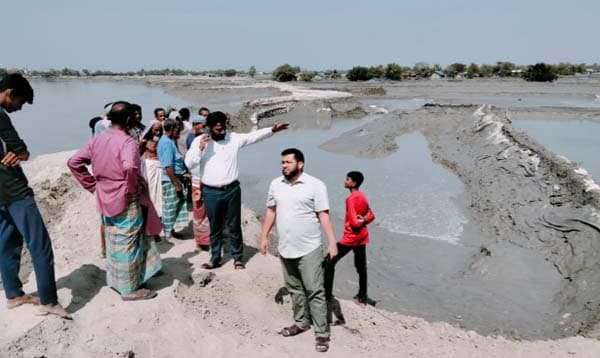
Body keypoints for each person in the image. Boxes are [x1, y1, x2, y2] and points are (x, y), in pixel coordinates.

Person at [68, 101, 162, 301]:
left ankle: (119, 280)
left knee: (114, 239)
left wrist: (92, 185)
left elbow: (73, 162)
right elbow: (129, 168)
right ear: (129, 120)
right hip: (125, 195)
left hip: (105, 194)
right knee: (129, 240)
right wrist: (131, 187)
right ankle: (129, 289)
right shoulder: (127, 142)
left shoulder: (97, 140)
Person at [0, 73, 71, 318]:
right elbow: (21, 150)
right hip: (14, 189)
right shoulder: (0, 115)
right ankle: (49, 301)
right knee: (40, 244)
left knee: (7, 240)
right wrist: (21, 152)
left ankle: (13, 294)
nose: (18, 109)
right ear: (9, 92)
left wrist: (15, 153)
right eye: (19, 103)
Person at [259, 148, 338, 353]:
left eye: (288, 162)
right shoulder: (275, 184)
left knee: (314, 290)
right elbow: (270, 211)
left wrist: (332, 242)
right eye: (282, 162)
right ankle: (301, 322)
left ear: (300, 164)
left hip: (309, 247)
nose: (283, 166)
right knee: (294, 288)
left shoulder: (315, 185)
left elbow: (324, 216)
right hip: (285, 247)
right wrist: (264, 237)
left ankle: (322, 333)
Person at [199, 111, 288, 269]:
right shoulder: (201, 143)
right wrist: (200, 148)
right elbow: (189, 161)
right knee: (215, 226)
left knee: (234, 225)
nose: (222, 132)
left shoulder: (233, 139)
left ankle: (237, 257)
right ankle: (214, 258)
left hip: (232, 189)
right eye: (218, 129)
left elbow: (252, 137)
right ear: (210, 128)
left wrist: (272, 130)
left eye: (223, 128)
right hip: (210, 192)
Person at [324, 171, 376, 308]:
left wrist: (359, 221)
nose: (344, 181)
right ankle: (362, 297)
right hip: (362, 237)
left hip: (351, 238)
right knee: (361, 268)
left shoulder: (351, 199)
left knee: (329, 261)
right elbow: (371, 215)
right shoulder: (362, 196)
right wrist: (364, 219)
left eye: (347, 179)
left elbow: (354, 223)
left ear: (353, 183)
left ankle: (327, 295)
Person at [157, 119, 188, 238]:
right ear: (171, 130)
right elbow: (168, 166)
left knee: (175, 205)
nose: (179, 133)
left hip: (175, 177)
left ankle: (171, 230)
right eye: (177, 130)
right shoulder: (166, 143)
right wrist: (176, 183)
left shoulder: (170, 141)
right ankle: (168, 233)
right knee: (170, 206)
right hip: (170, 180)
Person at [184, 115, 210, 249]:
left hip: (207, 179)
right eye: (204, 126)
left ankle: (207, 238)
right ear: (196, 125)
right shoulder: (194, 139)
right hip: (197, 179)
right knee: (200, 211)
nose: (206, 129)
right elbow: (190, 161)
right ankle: (202, 240)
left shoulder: (206, 139)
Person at [139, 121, 164, 220]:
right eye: (155, 130)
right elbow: (138, 154)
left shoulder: (162, 140)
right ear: (150, 130)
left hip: (160, 167)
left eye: (159, 130)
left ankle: (159, 214)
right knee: (151, 191)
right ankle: (151, 214)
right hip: (150, 167)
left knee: (160, 192)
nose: (157, 132)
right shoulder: (145, 141)